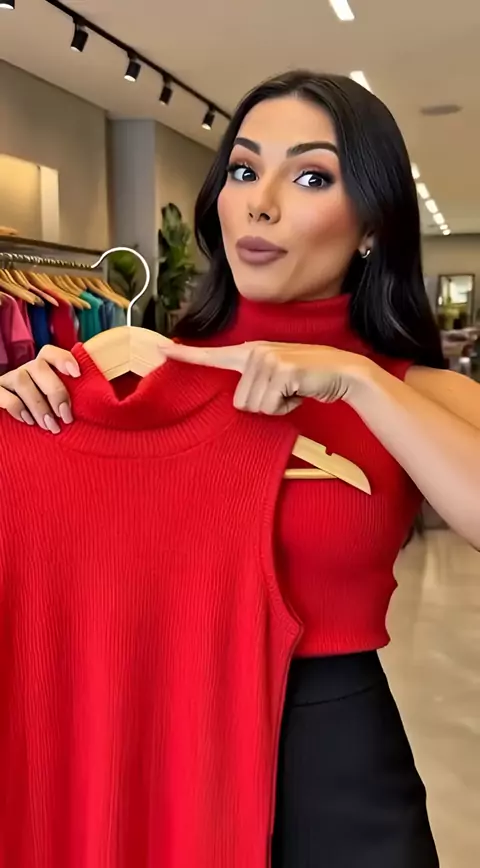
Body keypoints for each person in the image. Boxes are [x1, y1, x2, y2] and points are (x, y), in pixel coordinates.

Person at [1, 70, 480, 867]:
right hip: (157, 746)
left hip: (331, 767)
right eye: (244, 169)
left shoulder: (419, 394)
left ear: (372, 224)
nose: (261, 203)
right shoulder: (130, 378)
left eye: (312, 177)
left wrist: (357, 381)